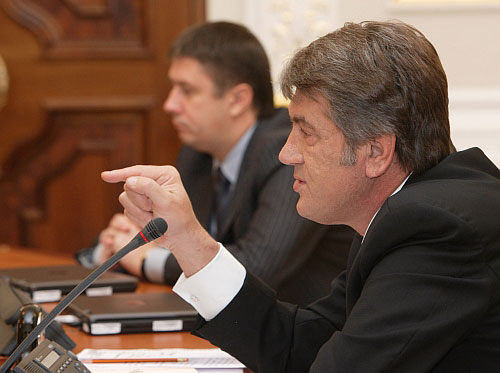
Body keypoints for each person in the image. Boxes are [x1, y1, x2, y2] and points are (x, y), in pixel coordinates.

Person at [102, 20, 500, 372]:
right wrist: (187, 240)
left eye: (306, 132)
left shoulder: (436, 230)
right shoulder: (403, 214)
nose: (286, 153)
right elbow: (298, 345)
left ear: (376, 151)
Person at [79, 21, 354, 306]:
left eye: (187, 91)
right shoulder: (196, 154)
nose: (170, 105)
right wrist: (117, 246)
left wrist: (149, 261)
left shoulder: (287, 153)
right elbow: (181, 238)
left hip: (308, 325)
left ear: (237, 100)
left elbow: (257, 267)